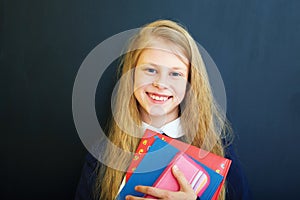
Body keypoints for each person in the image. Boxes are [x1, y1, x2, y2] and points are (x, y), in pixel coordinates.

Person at [75, 19, 251, 200]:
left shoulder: (218, 149)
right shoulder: (103, 155)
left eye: (175, 74)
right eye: (150, 70)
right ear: (131, 74)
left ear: (191, 82)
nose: (160, 83)